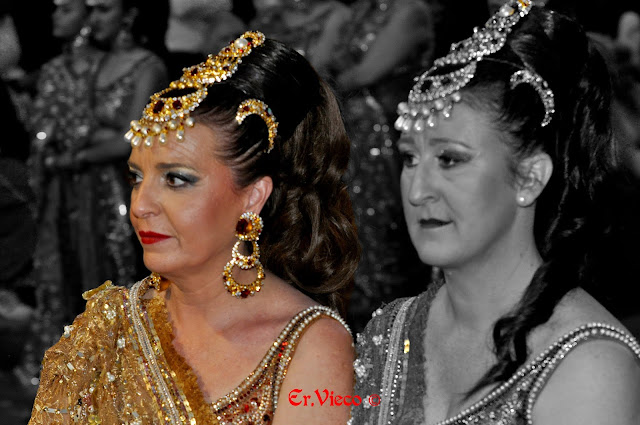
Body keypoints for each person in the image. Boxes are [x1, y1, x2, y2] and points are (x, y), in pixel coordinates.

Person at [28, 31, 359, 424]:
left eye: (176, 180)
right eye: (136, 177)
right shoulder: (107, 326)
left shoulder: (313, 345)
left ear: (253, 196)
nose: (140, 206)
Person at [351, 1, 640, 424]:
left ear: (528, 178)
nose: (417, 190)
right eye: (410, 158)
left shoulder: (590, 365)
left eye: (450, 159)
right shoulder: (389, 331)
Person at [330, 0, 434, 332]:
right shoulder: (360, 10)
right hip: (353, 137)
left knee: (383, 229)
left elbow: (362, 74)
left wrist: (331, 80)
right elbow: (328, 61)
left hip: (388, 138)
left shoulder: (410, 12)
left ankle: (388, 321)